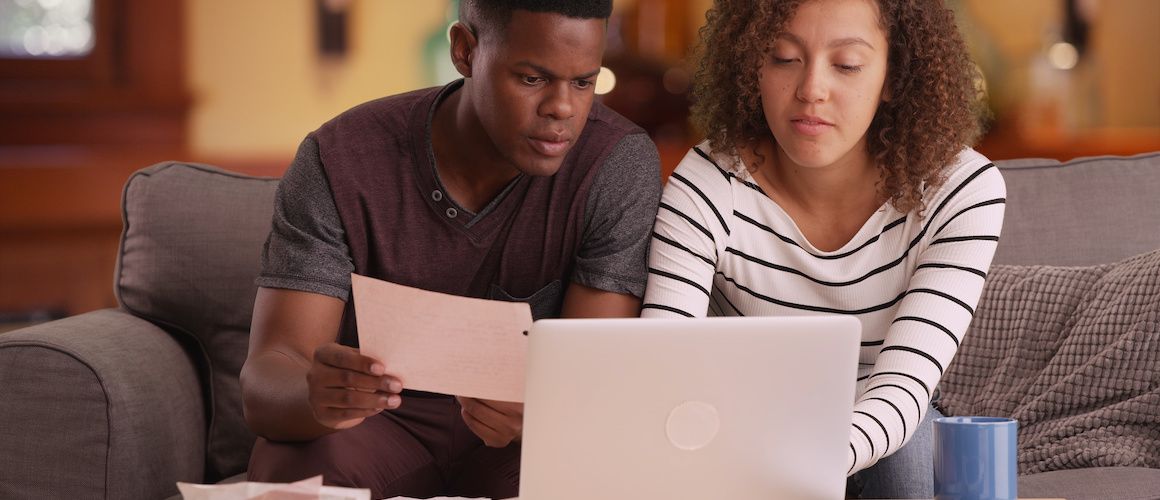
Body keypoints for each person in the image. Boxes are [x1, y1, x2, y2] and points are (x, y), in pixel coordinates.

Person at [239, 1, 661, 498]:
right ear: (465, 51)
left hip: (519, 445)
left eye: (583, 82)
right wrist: (316, 394)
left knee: (588, 474)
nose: (562, 109)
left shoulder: (614, 165)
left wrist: (551, 408)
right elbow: (268, 379)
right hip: (378, 424)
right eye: (531, 79)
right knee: (287, 465)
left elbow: (590, 381)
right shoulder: (342, 158)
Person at [640, 0, 1005, 497]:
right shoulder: (708, 182)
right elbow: (662, 365)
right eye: (784, 58)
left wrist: (804, 465)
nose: (810, 90)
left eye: (847, 64)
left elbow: (902, 392)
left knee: (909, 461)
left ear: (894, 75)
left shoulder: (961, 189)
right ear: (752, 63)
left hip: (882, 427)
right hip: (739, 425)